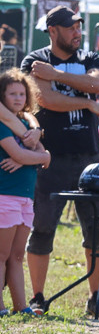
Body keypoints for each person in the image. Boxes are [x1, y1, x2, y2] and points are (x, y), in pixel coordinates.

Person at [14, 6, 99, 315]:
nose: (77, 32)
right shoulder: (33, 60)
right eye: (70, 28)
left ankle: (96, 298)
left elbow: (98, 84)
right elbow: (45, 99)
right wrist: (88, 104)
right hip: (49, 157)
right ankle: (37, 297)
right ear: (52, 30)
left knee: (95, 230)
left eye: (79, 27)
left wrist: (56, 75)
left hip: (90, 158)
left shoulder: (91, 58)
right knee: (41, 229)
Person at [0, 71, 50, 316]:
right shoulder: (2, 125)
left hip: (24, 199)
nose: (18, 98)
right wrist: (36, 158)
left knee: (17, 256)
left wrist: (36, 156)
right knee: (1, 255)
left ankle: (21, 307)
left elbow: (41, 153)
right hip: (5, 196)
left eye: (22, 93)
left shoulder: (28, 126)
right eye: (12, 94)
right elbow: (25, 155)